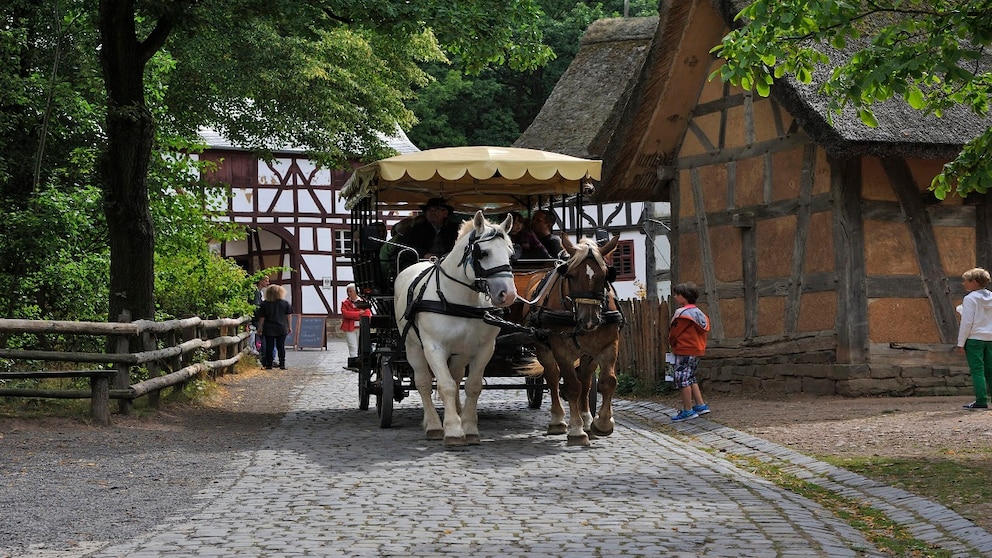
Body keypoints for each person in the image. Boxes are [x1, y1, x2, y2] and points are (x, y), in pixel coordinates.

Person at [668, 281, 711, 421]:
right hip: (696, 349)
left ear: (684, 296)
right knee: (691, 377)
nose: (675, 297)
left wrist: (672, 343)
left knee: (682, 378)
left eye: (678, 294)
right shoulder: (699, 313)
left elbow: (675, 332)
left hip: (684, 349)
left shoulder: (683, 314)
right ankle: (700, 405)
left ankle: (688, 410)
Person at [956, 267, 992, 410]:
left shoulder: (970, 298)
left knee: (977, 370)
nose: (964, 283)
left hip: (975, 339)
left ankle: (981, 401)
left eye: (966, 281)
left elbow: (967, 322)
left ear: (975, 282)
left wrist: (961, 343)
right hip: (990, 339)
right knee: (991, 370)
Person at [255, 284, 293, 370]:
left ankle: (269, 364)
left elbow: (262, 317)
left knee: (269, 346)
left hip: (269, 327)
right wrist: (289, 326)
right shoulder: (285, 303)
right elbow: (288, 316)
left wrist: (260, 328)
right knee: (281, 346)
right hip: (281, 327)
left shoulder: (264, 304)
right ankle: (282, 364)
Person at [340, 283, 372, 370]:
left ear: (355, 291)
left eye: (350, 291)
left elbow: (367, 313)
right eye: (348, 291)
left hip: (361, 327)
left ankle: (361, 362)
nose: (349, 293)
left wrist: (354, 315)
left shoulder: (363, 302)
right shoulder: (345, 303)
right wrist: (359, 313)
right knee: (352, 345)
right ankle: (354, 363)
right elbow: (346, 314)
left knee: (361, 345)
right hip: (349, 327)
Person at [249, 276, 270, 356]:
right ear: (260, 281)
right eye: (266, 281)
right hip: (256, 319)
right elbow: (256, 307)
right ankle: (264, 356)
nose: (268, 283)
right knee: (263, 337)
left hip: (257, 319)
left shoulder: (260, 292)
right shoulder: (256, 292)